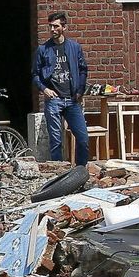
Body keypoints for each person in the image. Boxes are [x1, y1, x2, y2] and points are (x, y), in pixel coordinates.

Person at [32, 11, 90, 167]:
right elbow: (35, 75)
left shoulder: (74, 47)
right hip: (53, 100)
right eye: (50, 26)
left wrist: (80, 91)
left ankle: (80, 170)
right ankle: (59, 173)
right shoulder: (43, 50)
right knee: (56, 140)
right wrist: (44, 89)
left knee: (83, 137)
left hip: (72, 99)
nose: (52, 29)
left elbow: (83, 69)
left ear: (64, 27)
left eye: (56, 26)